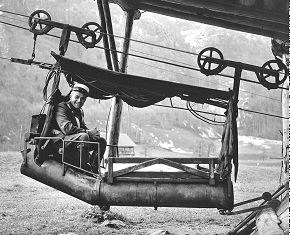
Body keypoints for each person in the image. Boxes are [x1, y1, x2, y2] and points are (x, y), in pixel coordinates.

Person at [51, 83, 107, 173]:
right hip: (60, 141)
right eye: (76, 97)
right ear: (70, 96)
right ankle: (83, 169)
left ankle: (93, 168)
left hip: (73, 140)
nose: (79, 100)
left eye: (83, 99)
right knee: (84, 137)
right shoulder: (62, 107)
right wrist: (88, 132)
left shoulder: (79, 111)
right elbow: (67, 128)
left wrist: (93, 133)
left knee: (101, 141)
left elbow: (82, 127)